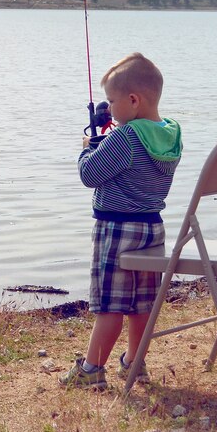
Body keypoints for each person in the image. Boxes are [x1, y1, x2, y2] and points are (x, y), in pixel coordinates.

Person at [60, 52, 183, 389]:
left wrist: (88, 147)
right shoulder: (170, 135)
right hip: (151, 229)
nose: (110, 108)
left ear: (133, 100)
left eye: (113, 102)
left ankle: (91, 370)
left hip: (116, 230)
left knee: (110, 304)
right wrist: (110, 137)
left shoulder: (124, 138)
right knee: (141, 303)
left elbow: (90, 174)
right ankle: (134, 362)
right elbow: (134, 162)